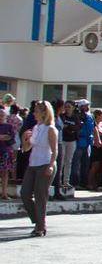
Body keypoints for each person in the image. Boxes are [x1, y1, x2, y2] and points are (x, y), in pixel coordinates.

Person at [20, 101, 58, 236]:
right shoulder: (35, 128)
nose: (34, 113)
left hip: (45, 163)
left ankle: (40, 228)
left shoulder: (51, 129)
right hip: (33, 164)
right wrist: (25, 139)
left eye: (36, 111)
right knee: (24, 193)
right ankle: (39, 221)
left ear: (44, 113)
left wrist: (51, 165)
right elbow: (26, 149)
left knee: (40, 195)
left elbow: (55, 150)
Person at [72, 100, 94, 188]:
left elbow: (92, 129)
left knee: (85, 164)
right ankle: (75, 183)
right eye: (85, 105)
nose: (87, 107)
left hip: (87, 143)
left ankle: (83, 183)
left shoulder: (90, 116)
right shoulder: (76, 116)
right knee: (76, 164)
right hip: (79, 142)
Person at [0, 103, 15, 199]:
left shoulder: (9, 126)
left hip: (5, 152)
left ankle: (4, 193)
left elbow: (11, 138)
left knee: (5, 173)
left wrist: (4, 137)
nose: (0, 117)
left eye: (2, 115)